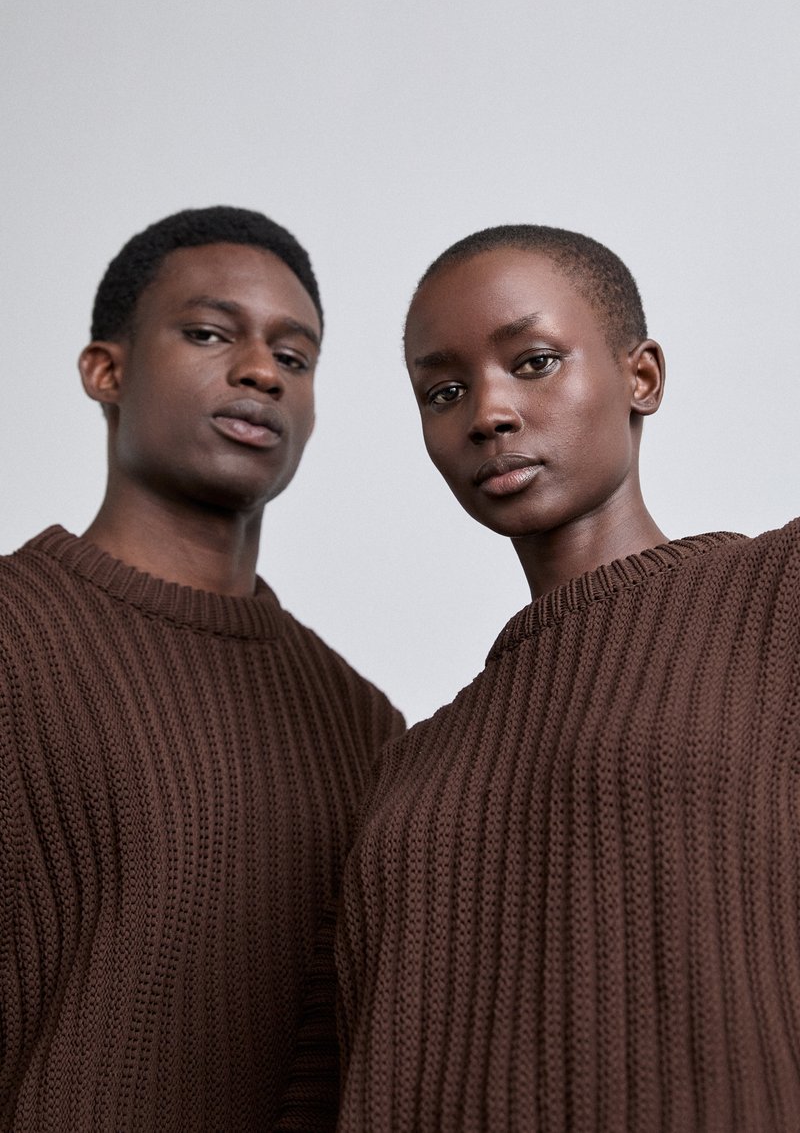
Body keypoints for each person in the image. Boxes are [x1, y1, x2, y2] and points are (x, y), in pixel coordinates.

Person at [329, 226, 800, 1131]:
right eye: (445, 390)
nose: (488, 413)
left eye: (535, 361)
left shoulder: (776, 595)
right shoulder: (409, 765)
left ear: (642, 376)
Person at [0, 206, 403, 1132]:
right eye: (211, 333)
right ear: (107, 369)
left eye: (294, 358)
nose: (261, 369)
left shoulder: (365, 725)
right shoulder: (17, 636)